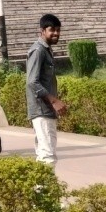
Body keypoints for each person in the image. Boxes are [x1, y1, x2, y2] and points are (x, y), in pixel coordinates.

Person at [26, 13, 66, 166]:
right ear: (42, 31)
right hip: (42, 109)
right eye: (52, 30)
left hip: (45, 109)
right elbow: (32, 82)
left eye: (58, 30)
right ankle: (44, 190)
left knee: (44, 152)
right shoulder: (38, 51)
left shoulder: (46, 49)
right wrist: (54, 100)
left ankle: (40, 189)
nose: (56, 33)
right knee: (48, 154)